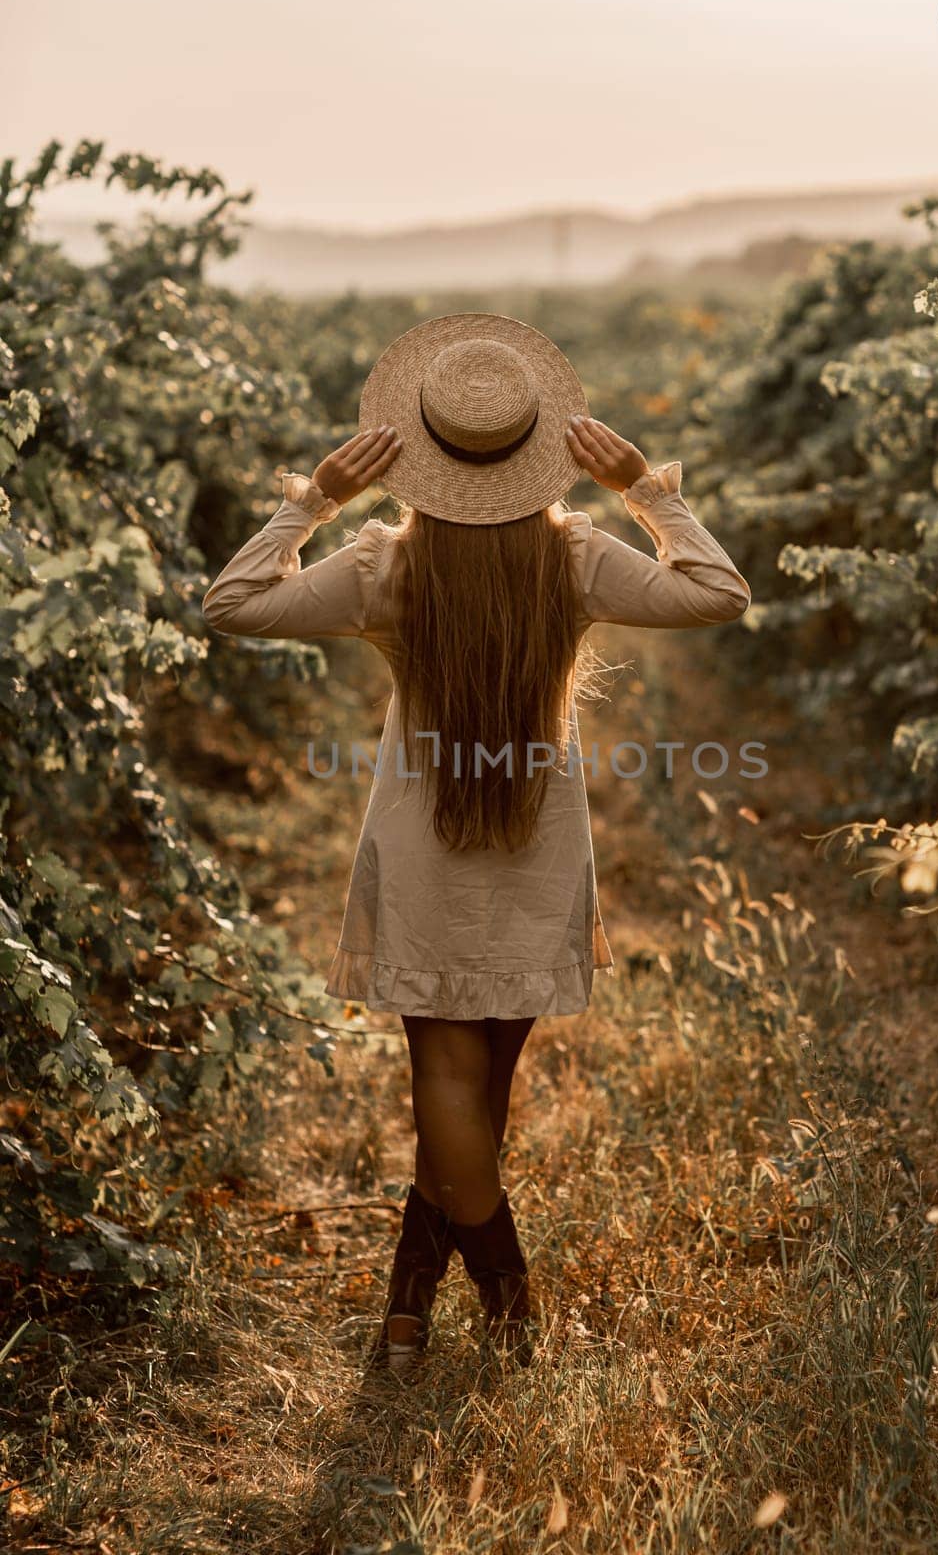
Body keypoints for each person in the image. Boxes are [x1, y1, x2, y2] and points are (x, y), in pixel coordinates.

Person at [201, 313, 751, 1379]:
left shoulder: (381, 566)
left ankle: (414, 1303)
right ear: (537, 448)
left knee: (448, 1086)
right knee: (479, 1086)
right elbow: (718, 592)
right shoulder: (578, 557)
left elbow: (230, 602)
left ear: (418, 446)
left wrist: (310, 502)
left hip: (423, 846)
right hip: (536, 845)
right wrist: (646, 488)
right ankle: (500, 1289)